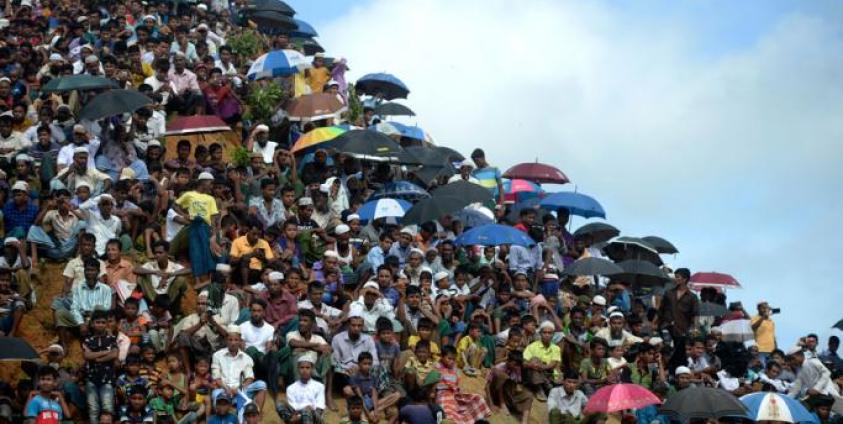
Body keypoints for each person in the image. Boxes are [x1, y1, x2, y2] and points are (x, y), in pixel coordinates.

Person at [279, 352, 325, 424]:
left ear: (312, 369)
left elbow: (319, 409)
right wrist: (299, 415)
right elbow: (293, 409)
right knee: (280, 404)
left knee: (306, 410)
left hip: (315, 418)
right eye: (302, 367)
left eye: (307, 368)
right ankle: (290, 421)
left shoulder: (319, 386)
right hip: (296, 416)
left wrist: (305, 412)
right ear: (298, 369)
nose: (304, 370)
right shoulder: (291, 388)